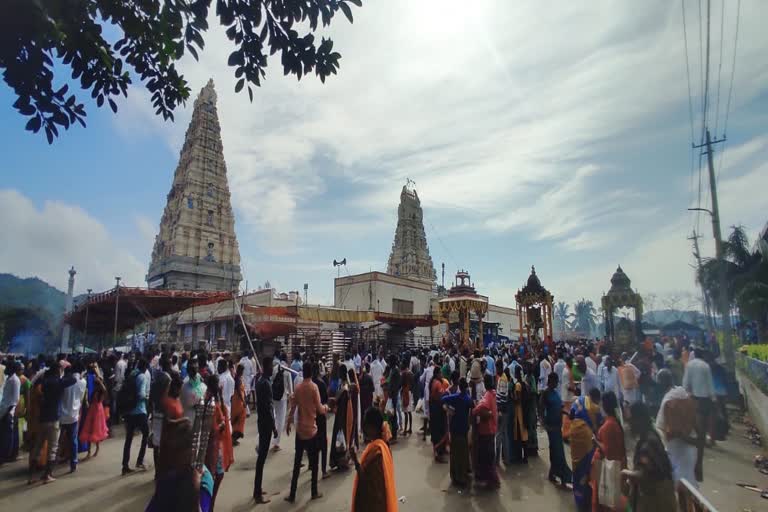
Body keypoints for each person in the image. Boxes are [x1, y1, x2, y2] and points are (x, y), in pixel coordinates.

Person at [285, 361, 329, 502]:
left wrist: (288, 423)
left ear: (303, 372)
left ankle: (292, 494)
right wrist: (327, 408)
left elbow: (292, 407)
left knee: (297, 464)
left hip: (300, 430)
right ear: (313, 372)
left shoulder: (298, 388)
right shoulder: (314, 387)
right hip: (311, 431)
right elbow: (320, 409)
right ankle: (314, 492)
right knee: (314, 464)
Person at [28, 360, 76, 484]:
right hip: (54, 417)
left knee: (37, 446)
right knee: (52, 448)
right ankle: (47, 475)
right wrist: (67, 370)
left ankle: (31, 476)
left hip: (42, 417)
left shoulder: (44, 382)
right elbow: (73, 380)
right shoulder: (59, 382)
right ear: (58, 370)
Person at [623, 402, 677, 512]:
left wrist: (624, 473)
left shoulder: (648, 443)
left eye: (631, 420)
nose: (629, 424)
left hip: (658, 498)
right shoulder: (650, 435)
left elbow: (641, 474)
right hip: (659, 494)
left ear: (639, 420)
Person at [655, 369, 698, 488]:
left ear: (661, 383)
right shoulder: (684, 393)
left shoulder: (668, 400)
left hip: (676, 449)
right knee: (690, 484)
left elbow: (664, 427)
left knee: (680, 486)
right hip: (690, 449)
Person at [350, 407, 398, 512]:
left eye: (366, 425)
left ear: (373, 427)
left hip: (374, 505)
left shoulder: (377, 452)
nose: (364, 429)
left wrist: (356, 462)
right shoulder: (382, 445)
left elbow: (368, 483)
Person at [682, 346, 714, 482]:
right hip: (706, 401)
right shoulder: (706, 366)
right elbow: (710, 386)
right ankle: (699, 463)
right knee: (701, 433)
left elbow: (685, 384)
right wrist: (713, 400)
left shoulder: (690, 365)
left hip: (694, 400)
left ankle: (694, 463)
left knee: (694, 431)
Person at [591, 391, 626, 511]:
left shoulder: (609, 426)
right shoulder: (614, 422)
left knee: (603, 502)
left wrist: (595, 441)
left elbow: (608, 451)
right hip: (609, 468)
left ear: (604, 405)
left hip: (607, 469)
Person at [570, 388, 602, 511]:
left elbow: (571, 415)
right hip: (587, 442)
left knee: (577, 467)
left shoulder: (579, 400)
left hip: (575, 439)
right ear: (596, 398)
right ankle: (586, 500)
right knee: (587, 468)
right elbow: (598, 428)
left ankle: (578, 497)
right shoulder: (596, 409)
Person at [253, 357, 278, 504]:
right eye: (271, 367)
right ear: (267, 367)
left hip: (261, 422)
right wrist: (274, 427)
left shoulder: (260, 381)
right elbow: (269, 408)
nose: (272, 369)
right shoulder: (266, 384)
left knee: (261, 458)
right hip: (266, 424)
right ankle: (257, 493)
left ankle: (258, 488)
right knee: (262, 458)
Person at [539, 372, 571, 487]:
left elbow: (559, 407)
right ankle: (564, 476)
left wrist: (567, 413)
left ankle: (552, 474)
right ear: (551, 381)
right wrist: (544, 424)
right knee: (558, 452)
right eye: (555, 381)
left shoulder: (555, 392)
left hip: (558, 426)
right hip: (551, 427)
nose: (557, 383)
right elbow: (541, 410)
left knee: (555, 450)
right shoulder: (546, 393)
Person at [442, 377, 473, 487]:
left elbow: (443, 399)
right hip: (464, 430)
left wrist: (449, 409)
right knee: (463, 454)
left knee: (454, 454)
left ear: (459, 387)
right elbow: (473, 408)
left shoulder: (455, 397)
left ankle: (455, 476)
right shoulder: (468, 399)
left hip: (455, 430)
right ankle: (462, 476)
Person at [122, 357, 150, 475]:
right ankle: (139, 460)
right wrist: (147, 397)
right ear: (145, 367)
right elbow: (141, 394)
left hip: (129, 410)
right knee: (146, 434)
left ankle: (125, 465)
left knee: (128, 439)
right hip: (139, 410)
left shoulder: (132, 373)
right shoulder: (142, 377)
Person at [472, 374, 499, 488]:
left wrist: (475, 409)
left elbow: (477, 410)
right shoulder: (493, 394)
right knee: (489, 456)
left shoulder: (487, 396)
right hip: (492, 429)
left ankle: (492, 480)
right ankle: (492, 479)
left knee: (486, 456)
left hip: (486, 430)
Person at [79, 366, 109, 458]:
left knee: (95, 431)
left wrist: (100, 381)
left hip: (97, 411)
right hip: (93, 410)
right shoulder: (96, 391)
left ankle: (95, 449)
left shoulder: (101, 392)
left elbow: (105, 390)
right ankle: (90, 451)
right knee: (90, 430)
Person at [330, 366, 353, 471]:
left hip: (341, 416)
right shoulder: (344, 385)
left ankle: (341, 462)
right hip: (342, 415)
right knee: (341, 438)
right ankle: (341, 461)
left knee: (340, 438)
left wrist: (334, 401)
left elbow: (340, 401)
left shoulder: (344, 387)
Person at [312, 362, 331, 478]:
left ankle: (312, 466)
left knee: (313, 443)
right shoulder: (321, 384)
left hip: (311, 416)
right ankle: (323, 470)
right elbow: (325, 400)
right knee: (323, 443)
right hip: (320, 415)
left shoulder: (310, 383)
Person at [271, 358, 293, 452]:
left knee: (274, 417)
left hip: (274, 397)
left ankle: (270, 439)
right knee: (280, 420)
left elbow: (271, 382)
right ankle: (276, 443)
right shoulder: (287, 372)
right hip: (283, 399)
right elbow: (291, 390)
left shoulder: (274, 369)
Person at [428, 366, 450, 462]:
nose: (442, 374)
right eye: (440, 373)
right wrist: (447, 394)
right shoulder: (437, 383)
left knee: (436, 430)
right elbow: (440, 397)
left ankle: (439, 450)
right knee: (440, 430)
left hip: (434, 408)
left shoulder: (433, 382)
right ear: (437, 374)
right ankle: (439, 453)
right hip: (437, 409)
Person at [509, 366, 529, 464]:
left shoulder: (517, 385)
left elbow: (517, 399)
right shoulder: (525, 383)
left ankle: (520, 456)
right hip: (525, 411)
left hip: (519, 412)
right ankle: (525, 456)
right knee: (524, 435)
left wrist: (511, 396)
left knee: (519, 435)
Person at [182, 359, 207, 424]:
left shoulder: (201, 380)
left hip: (200, 418)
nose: (194, 370)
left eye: (196, 368)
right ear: (188, 369)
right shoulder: (185, 384)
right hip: (189, 417)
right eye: (192, 368)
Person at [495, 364, 510, 464]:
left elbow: (503, 397)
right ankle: (506, 458)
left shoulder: (503, 379)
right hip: (502, 409)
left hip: (502, 410)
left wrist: (499, 410)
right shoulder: (501, 378)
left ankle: (497, 459)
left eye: (497, 368)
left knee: (499, 435)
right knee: (503, 434)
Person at [230, 363, 247, 445]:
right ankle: (233, 438)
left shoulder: (239, 378)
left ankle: (235, 437)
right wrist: (243, 401)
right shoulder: (237, 379)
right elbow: (239, 392)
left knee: (240, 419)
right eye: (241, 370)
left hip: (240, 401)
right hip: (238, 402)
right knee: (238, 419)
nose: (242, 372)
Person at [400, 360, 414, 436]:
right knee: (409, 411)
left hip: (405, 392)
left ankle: (405, 430)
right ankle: (410, 428)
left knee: (405, 412)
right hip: (409, 392)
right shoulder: (411, 373)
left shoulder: (404, 374)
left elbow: (401, 383)